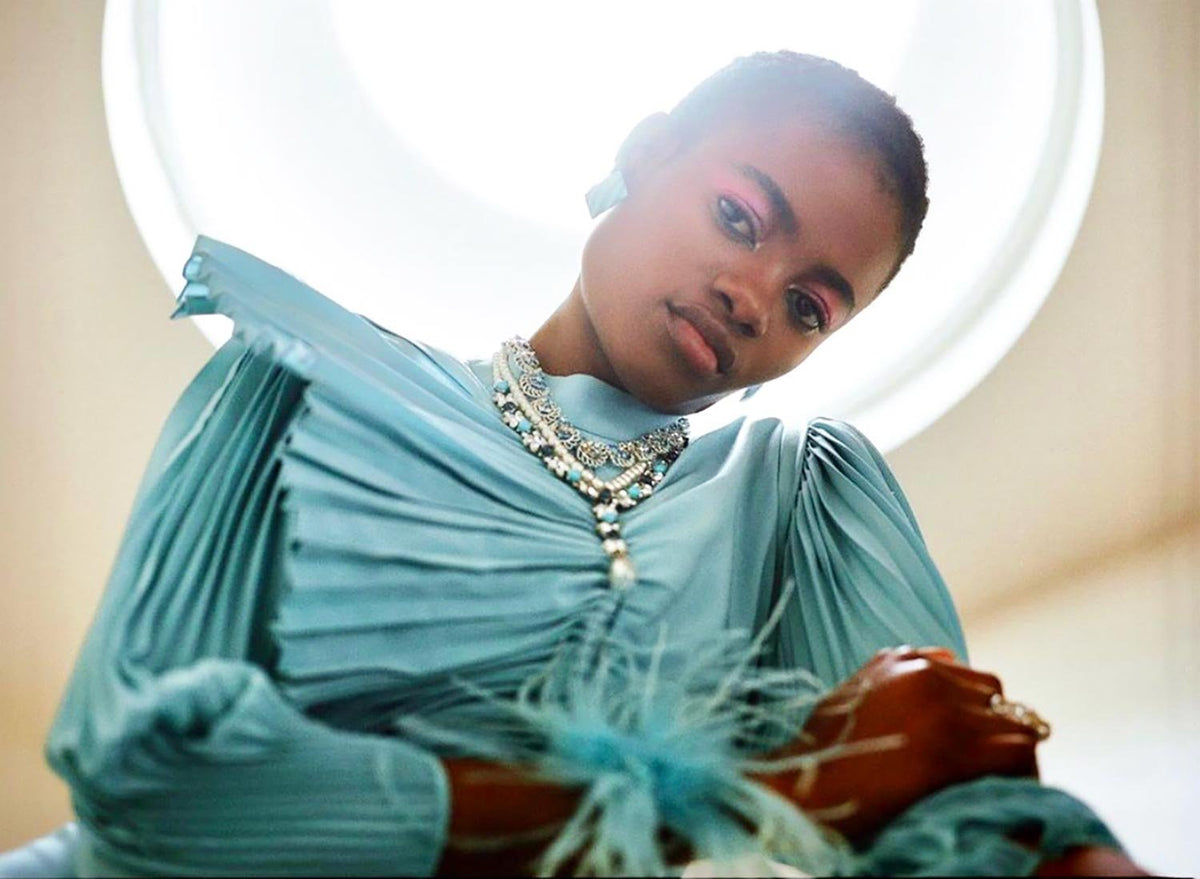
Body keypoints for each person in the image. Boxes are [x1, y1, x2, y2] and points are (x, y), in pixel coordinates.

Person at [1, 52, 1146, 877]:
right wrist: (762, 790)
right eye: (742, 217)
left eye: (811, 304)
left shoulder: (797, 491)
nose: (754, 298)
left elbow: (968, 808)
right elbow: (150, 787)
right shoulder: (299, 369)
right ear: (646, 155)